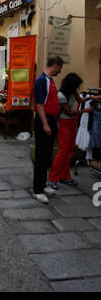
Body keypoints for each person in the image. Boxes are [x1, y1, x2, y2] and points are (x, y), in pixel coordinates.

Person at [48, 73, 101, 189]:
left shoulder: (72, 91)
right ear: (71, 85)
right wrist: (87, 110)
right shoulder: (61, 95)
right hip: (64, 123)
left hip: (72, 123)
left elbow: (80, 100)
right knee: (63, 151)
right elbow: (70, 112)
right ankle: (53, 178)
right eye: (76, 85)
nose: (77, 88)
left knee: (70, 150)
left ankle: (65, 176)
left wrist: (92, 97)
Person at [32, 56, 64, 204]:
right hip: (44, 120)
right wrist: (45, 124)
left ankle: (43, 184)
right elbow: (39, 105)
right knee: (41, 156)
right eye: (60, 68)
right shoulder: (41, 81)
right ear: (55, 66)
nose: (60, 71)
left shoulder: (50, 80)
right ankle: (37, 190)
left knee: (46, 155)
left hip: (50, 120)